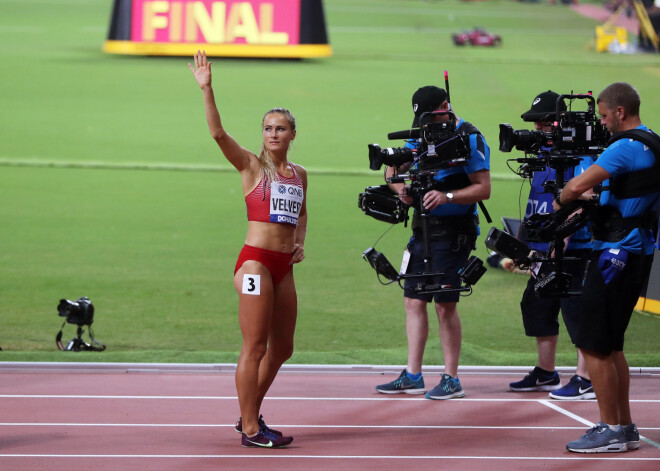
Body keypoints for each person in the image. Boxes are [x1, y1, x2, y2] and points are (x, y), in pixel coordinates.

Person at [188, 50, 307, 448]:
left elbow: (302, 212)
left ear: (293, 135)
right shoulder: (251, 168)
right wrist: (207, 90)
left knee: (283, 348)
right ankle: (252, 427)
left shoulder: (300, 175)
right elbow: (219, 135)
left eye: (281, 128)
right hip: (255, 265)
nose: (273, 133)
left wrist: (299, 242)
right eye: (268, 128)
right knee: (255, 346)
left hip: (282, 267)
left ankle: (248, 414)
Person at [556, 82, 659, 453]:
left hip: (616, 254)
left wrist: (568, 194)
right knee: (612, 344)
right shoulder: (652, 141)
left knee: (593, 343)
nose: (601, 123)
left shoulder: (624, 149)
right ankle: (626, 426)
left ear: (620, 112)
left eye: (603, 115)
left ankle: (610, 427)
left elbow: (572, 190)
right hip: (638, 250)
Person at [375, 86, 491, 399]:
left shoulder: (470, 136)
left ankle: (451, 378)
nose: (424, 124)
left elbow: (483, 188)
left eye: (429, 116)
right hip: (422, 229)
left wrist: (447, 195)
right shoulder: (422, 134)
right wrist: (401, 189)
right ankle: (413, 375)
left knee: (445, 305)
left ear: (445, 106)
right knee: (413, 300)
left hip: (455, 232)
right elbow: (391, 170)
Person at [508, 91, 595, 400]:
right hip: (542, 248)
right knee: (536, 305)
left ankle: (586, 378)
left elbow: (577, 202)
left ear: (557, 122)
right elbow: (539, 201)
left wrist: (559, 246)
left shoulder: (579, 156)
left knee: (575, 311)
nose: (538, 130)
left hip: (573, 248)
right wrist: (524, 243)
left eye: (542, 124)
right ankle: (547, 372)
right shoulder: (545, 155)